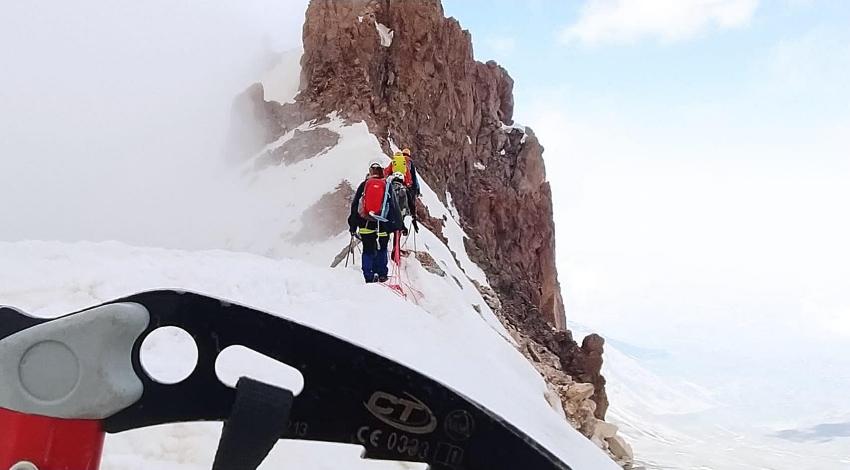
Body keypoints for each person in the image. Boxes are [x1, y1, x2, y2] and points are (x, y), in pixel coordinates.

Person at [348, 161, 401, 283]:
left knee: (367, 249)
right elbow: (394, 206)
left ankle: (368, 275)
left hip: (365, 224)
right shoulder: (386, 185)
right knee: (382, 248)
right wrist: (398, 225)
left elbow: (355, 205)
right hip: (382, 225)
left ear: (371, 171)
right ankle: (382, 274)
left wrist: (353, 226)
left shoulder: (364, 185)